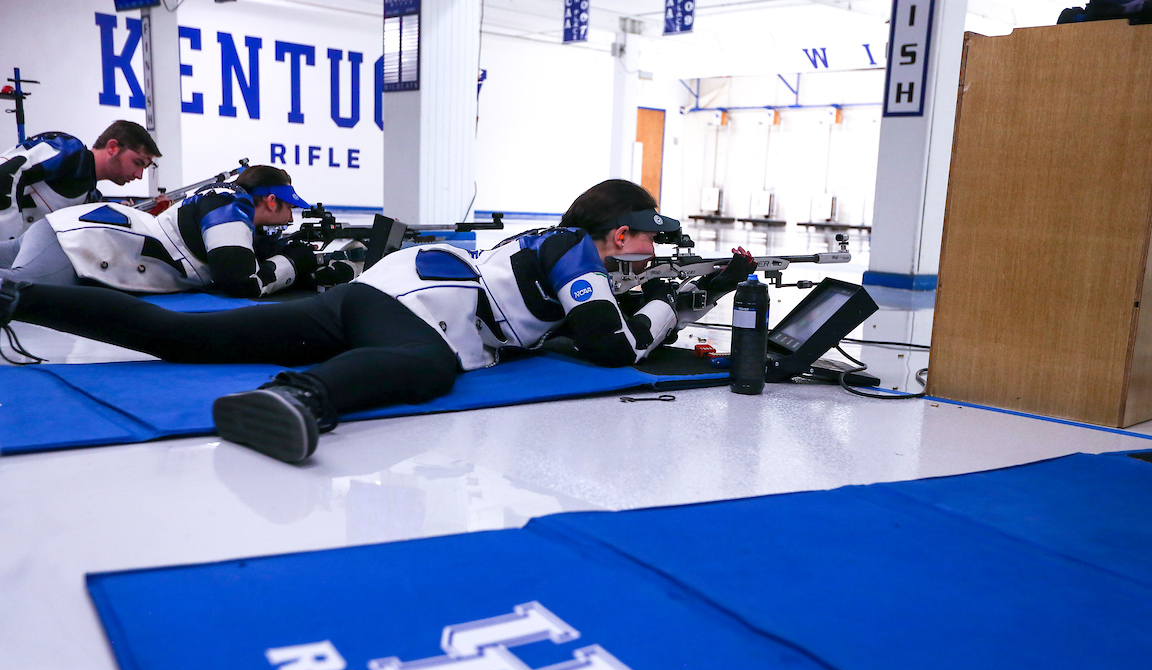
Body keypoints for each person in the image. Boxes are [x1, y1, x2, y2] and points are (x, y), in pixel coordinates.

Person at [0, 179, 752, 463]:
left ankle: (19, 299)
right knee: (429, 370)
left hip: (380, 294)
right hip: (427, 313)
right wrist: (665, 309)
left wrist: (711, 284)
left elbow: (582, 323)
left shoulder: (556, 248)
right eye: (648, 236)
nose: (651, 251)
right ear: (620, 232)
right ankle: (301, 398)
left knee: (188, 338)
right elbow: (612, 350)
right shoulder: (575, 254)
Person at [0, 164, 323, 297]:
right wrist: (294, 262)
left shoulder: (222, 198)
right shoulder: (232, 204)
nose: (289, 218)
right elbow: (239, 283)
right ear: (269, 200)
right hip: (78, 246)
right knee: (16, 291)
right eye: (287, 208)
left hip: (70, 231)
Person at [0, 121, 161, 252]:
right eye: (137, 163)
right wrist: (8, 242)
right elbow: (6, 172)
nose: (139, 175)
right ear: (112, 147)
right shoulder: (69, 151)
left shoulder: (90, 194)